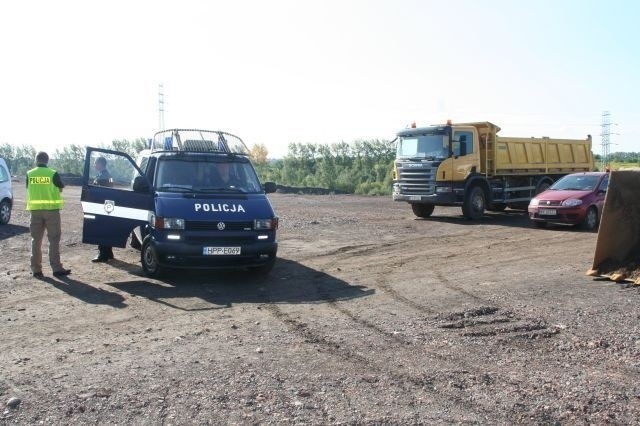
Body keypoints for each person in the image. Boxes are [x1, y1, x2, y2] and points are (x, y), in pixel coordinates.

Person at [26, 151, 71, 278]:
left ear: (36, 160)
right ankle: (56, 268)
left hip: (35, 211)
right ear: (47, 160)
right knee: (54, 240)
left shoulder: (29, 174)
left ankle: (36, 270)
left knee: (36, 240)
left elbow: (28, 188)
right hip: (51, 211)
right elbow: (61, 186)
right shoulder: (52, 173)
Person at [92, 156, 114, 262]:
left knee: (101, 230)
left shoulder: (104, 176)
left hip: (102, 206)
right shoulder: (104, 175)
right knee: (106, 229)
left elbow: (100, 192)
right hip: (105, 206)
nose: (94, 165)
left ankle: (103, 254)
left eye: (95, 163)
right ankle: (108, 252)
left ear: (100, 164)